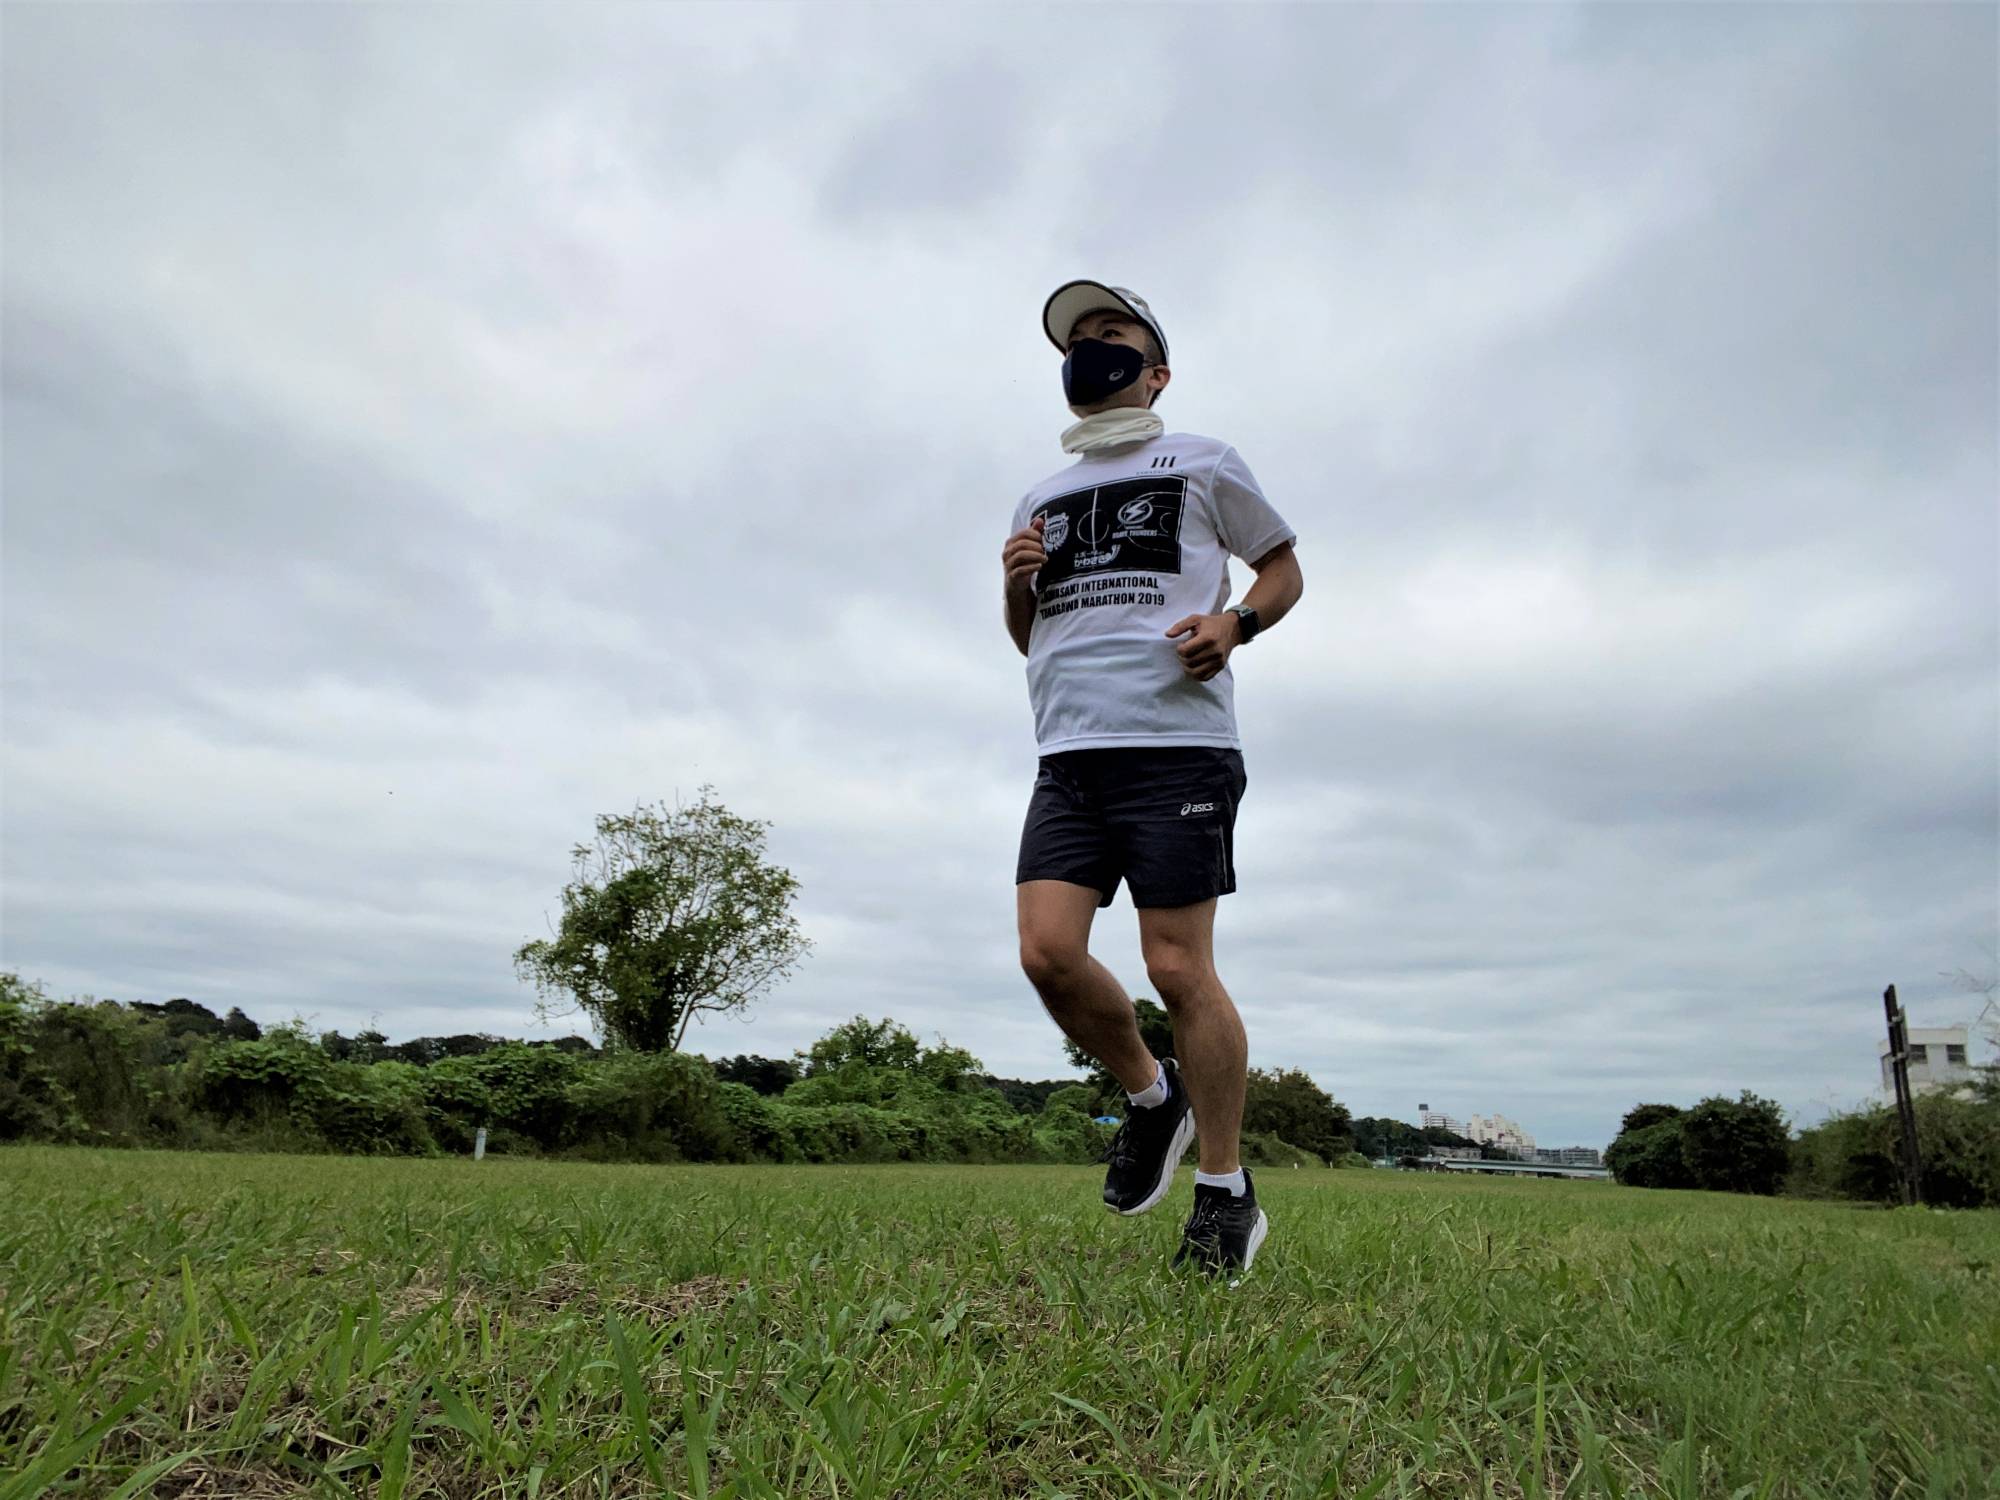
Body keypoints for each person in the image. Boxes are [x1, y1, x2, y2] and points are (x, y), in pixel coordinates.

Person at [1001, 280, 1304, 1277]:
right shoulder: (1037, 496)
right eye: (1077, 340)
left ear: (1154, 369)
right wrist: (1016, 587)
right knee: (1047, 956)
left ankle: (1223, 1194)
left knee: (1176, 968)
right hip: (1067, 755)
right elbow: (1028, 637)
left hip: (1175, 746)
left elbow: (1280, 569)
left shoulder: (1203, 461)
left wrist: (1234, 623)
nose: (1089, 348)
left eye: (1110, 334)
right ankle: (1149, 1096)